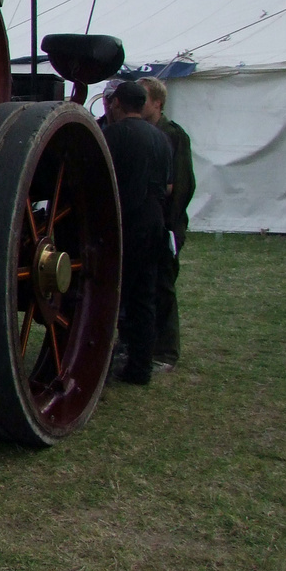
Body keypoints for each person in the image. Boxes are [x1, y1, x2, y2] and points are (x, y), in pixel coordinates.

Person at [102, 79, 172, 386]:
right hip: (155, 217)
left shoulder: (112, 135)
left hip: (127, 219)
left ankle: (97, 368)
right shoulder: (160, 138)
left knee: (110, 295)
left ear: (117, 104)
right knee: (144, 295)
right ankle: (140, 367)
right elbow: (169, 185)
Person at [139, 76, 196, 371]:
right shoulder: (142, 132)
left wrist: (170, 227)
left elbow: (183, 183)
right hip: (147, 221)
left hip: (166, 222)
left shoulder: (173, 135)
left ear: (157, 103)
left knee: (163, 284)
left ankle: (166, 352)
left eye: (143, 98)